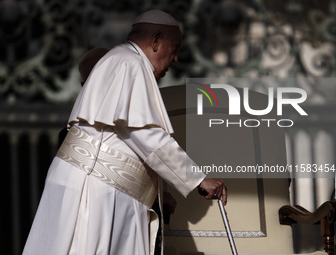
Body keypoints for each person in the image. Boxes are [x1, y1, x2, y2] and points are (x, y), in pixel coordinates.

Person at [23, 9, 227, 255]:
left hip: (111, 191)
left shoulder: (126, 62)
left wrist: (158, 193)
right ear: (155, 41)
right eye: (174, 47)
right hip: (97, 190)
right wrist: (199, 179)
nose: (175, 59)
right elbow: (146, 135)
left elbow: (124, 140)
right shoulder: (128, 62)